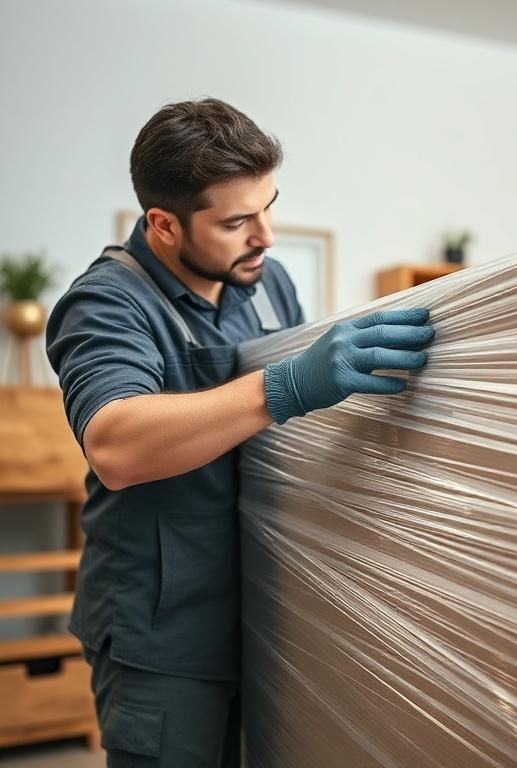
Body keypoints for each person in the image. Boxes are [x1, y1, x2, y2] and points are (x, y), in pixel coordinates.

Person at [45, 98, 435, 767]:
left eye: (268, 206)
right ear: (164, 225)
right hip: (162, 633)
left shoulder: (269, 283)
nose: (267, 236)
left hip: (264, 610)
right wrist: (283, 386)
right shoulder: (107, 302)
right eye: (236, 221)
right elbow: (115, 444)